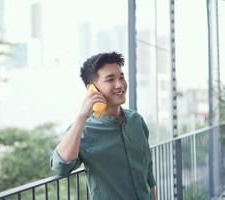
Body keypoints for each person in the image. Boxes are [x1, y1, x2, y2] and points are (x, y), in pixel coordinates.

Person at [50, 52, 157, 200]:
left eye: (121, 77)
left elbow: (148, 173)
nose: (120, 84)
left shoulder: (136, 121)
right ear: (92, 89)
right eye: (110, 79)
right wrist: (82, 116)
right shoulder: (84, 130)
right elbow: (61, 167)